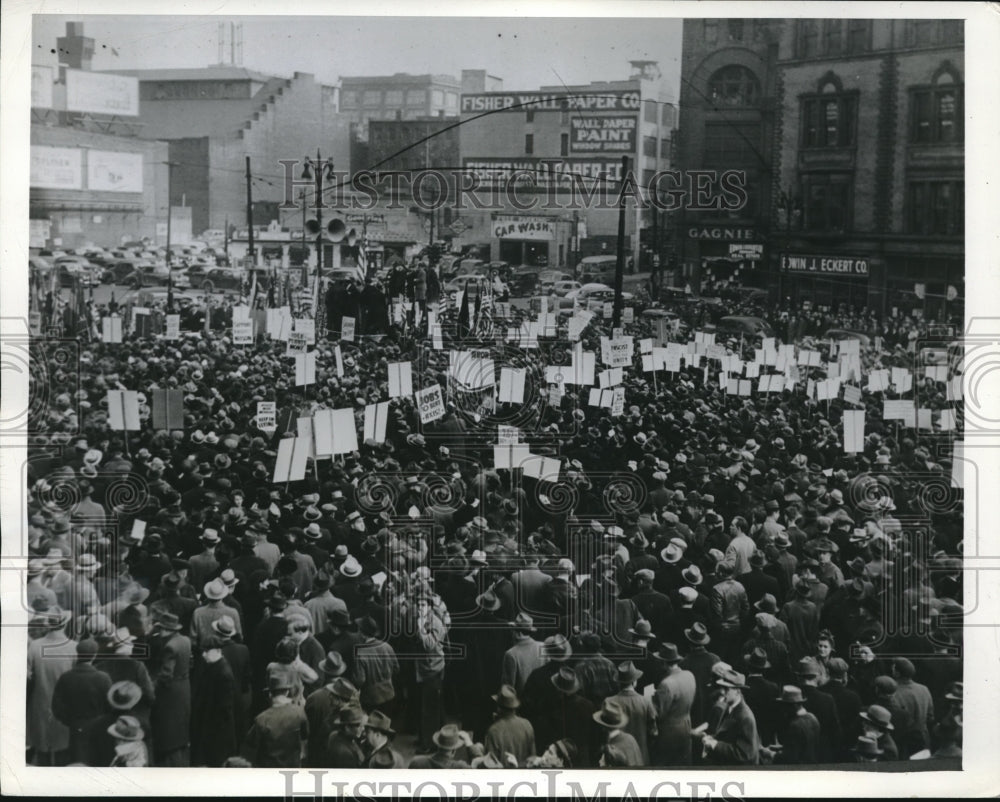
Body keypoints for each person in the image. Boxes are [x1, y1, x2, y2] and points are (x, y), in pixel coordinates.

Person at [50, 638, 112, 765]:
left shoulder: (66, 677)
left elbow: (56, 707)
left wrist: (70, 721)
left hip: (74, 728)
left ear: (78, 654)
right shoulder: (103, 678)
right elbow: (110, 706)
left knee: (77, 762)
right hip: (98, 729)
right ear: (94, 655)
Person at [27, 608, 76, 765]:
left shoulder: (34, 646)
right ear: (65, 624)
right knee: (62, 748)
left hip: (40, 701)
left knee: (43, 748)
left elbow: (27, 675)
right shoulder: (74, 647)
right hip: (65, 705)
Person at [149, 611, 193, 767]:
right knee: (182, 723)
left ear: (168, 630)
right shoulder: (185, 640)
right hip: (185, 686)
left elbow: (166, 674)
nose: (160, 632)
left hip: (171, 691)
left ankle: (169, 759)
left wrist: (151, 686)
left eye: (161, 629)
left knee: (168, 726)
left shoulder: (170, 646)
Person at [242, 675, 310, 768]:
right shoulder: (299, 713)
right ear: (287, 692)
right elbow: (305, 740)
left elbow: (249, 749)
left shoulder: (261, 719)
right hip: (293, 769)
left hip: (269, 771)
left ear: (270, 694)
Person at [191, 634, 237, 767]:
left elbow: (224, 709)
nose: (203, 655)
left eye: (207, 651)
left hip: (217, 733)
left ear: (218, 651)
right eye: (203, 651)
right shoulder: (214, 666)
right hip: (211, 729)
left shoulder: (223, 673)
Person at [698, 667, 760, 765]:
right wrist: (712, 738)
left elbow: (744, 754)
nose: (722, 692)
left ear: (737, 691)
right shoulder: (730, 707)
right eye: (722, 688)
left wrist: (715, 744)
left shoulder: (745, 717)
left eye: (726, 689)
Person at [608, 661, 658, 764]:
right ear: (634, 681)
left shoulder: (609, 702)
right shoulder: (645, 702)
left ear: (619, 682)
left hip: (616, 757)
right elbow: (653, 732)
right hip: (640, 756)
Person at [766, 685, 821, 765]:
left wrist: (770, 754)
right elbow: (804, 745)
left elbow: (789, 758)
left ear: (794, 706)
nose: (783, 710)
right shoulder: (813, 718)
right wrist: (784, 747)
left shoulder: (795, 726)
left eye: (785, 705)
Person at [483, 684, 536, 767]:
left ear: (499, 708)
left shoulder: (493, 731)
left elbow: (490, 764)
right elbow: (533, 758)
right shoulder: (527, 724)